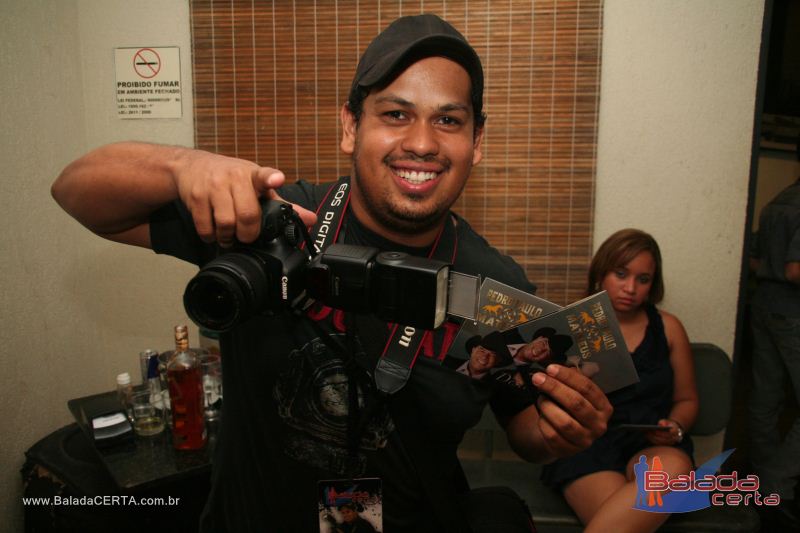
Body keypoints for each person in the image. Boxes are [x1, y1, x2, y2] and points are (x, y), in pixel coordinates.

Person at [52, 14, 612, 533]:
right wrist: (183, 167)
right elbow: (76, 193)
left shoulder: (497, 288)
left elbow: (526, 430)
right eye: (395, 114)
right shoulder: (267, 221)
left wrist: (561, 432)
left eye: (448, 120)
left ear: (476, 142)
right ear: (350, 127)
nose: (421, 142)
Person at [541, 228, 698, 533]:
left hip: (651, 443)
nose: (630, 288)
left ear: (653, 284)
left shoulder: (669, 328)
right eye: (621, 273)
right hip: (588, 445)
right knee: (626, 519)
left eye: (643, 279)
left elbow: (688, 399)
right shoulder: (572, 324)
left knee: (672, 472)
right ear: (601, 272)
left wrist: (675, 427)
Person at [747, 140, 800, 530]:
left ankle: (762, 484)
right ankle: (776, 486)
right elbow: (797, 269)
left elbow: (754, 259)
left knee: (765, 397)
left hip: (763, 302)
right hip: (792, 308)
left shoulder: (777, 201)